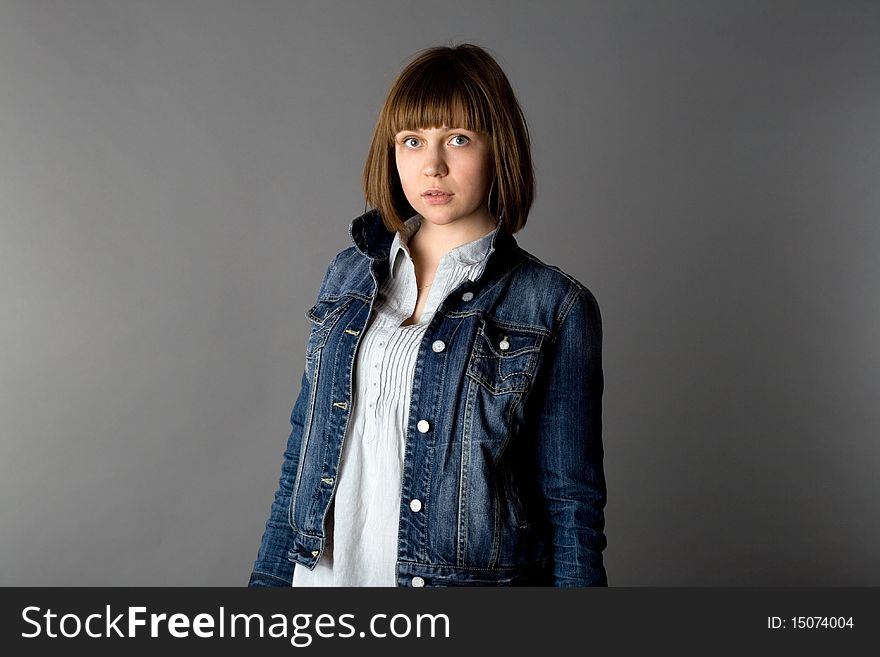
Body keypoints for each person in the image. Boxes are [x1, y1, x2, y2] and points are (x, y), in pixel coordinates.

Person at [249, 43, 606, 587]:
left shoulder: (552, 305)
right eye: (412, 141)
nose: (432, 165)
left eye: (458, 139)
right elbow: (303, 452)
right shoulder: (348, 275)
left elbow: (570, 502)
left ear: (498, 149)